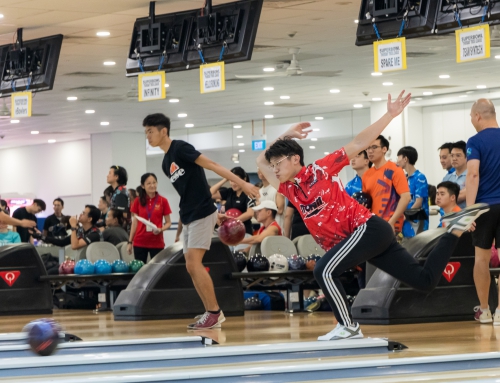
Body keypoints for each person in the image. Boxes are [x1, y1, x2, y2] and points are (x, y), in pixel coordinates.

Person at [257, 90, 490, 341]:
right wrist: (285, 134)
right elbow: (261, 161)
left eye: (278, 163)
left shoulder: (320, 169)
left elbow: (358, 143)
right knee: (424, 281)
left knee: (324, 270)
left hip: (367, 229)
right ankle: (453, 230)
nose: (274, 169)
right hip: (368, 239)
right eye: (274, 166)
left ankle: (348, 326)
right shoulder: (288, 188)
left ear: (294, 159)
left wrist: (389, 115)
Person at [143, 113, 259, 330]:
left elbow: (213, 165)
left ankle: (215, 312)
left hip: (200, 214)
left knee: (194, 264)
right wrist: (214, 215)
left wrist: (243, 184)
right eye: (146, 132)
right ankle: (210, 312)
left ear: (163, 131)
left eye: (150, 131)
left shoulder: (180, 148)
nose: (147, 136)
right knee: (190, 265)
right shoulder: (166, 162)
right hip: (189, 215)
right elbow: (193, 190)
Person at [465, 98, 500, 325]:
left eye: (470, 116)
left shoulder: (475, 141)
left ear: (478, 116)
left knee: (481, 259)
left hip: (485, 206)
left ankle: (485, 311)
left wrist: (469, 211)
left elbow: (473, 174)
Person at [362, 135, 411, 234]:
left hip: (392, 227)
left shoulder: (395, 169)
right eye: (368, 148)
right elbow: (366, 202)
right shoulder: (366, 174)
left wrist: (391, 222)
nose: (370, 151)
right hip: (374, 226)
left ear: (384, 149)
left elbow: (406, 197)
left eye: (374, 147)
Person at [128, 173, 172, 263]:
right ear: (143, 186)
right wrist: (130, 242)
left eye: (154, 182)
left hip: (157, 242)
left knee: (157, 271)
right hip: (140, 242)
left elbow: (168, 223)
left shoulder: (163, 201)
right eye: (148, 183)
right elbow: (135, 223)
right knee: (140, 270)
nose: (152, 185)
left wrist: (160, 229)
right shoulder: (138, 201)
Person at [210, 167, 256, 236]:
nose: (233, 184)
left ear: (244, 180)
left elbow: (250, 213)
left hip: (244, 232)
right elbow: (210, 193)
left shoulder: (248, 194)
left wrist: (232, 222)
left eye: (235, 181)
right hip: (229, 233)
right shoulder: (229, 192)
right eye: (231, 180)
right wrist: (225, 179)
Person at [396, 146, 429, 238]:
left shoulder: (420, 177)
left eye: (398, 157)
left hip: (417, 222)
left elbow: (418, 202)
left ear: (405, 159)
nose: (397, 161)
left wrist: (404, 216)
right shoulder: (404, 178)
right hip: (405, 221)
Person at [107, 165, 131, 231]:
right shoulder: (117, 191)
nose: (107, 175)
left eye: (110, 173)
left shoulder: (121, 192)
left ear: (116, 177)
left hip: (120, 231)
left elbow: (123, 215)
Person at [449, 141, 468, 209]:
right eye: (452, 155)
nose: (454, 159)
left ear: (466, 157)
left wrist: (447, 198)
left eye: (458, 155)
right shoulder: (447, 177)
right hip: (449, 217)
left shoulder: (471, 176)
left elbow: (463, 195)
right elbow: (439, 199)